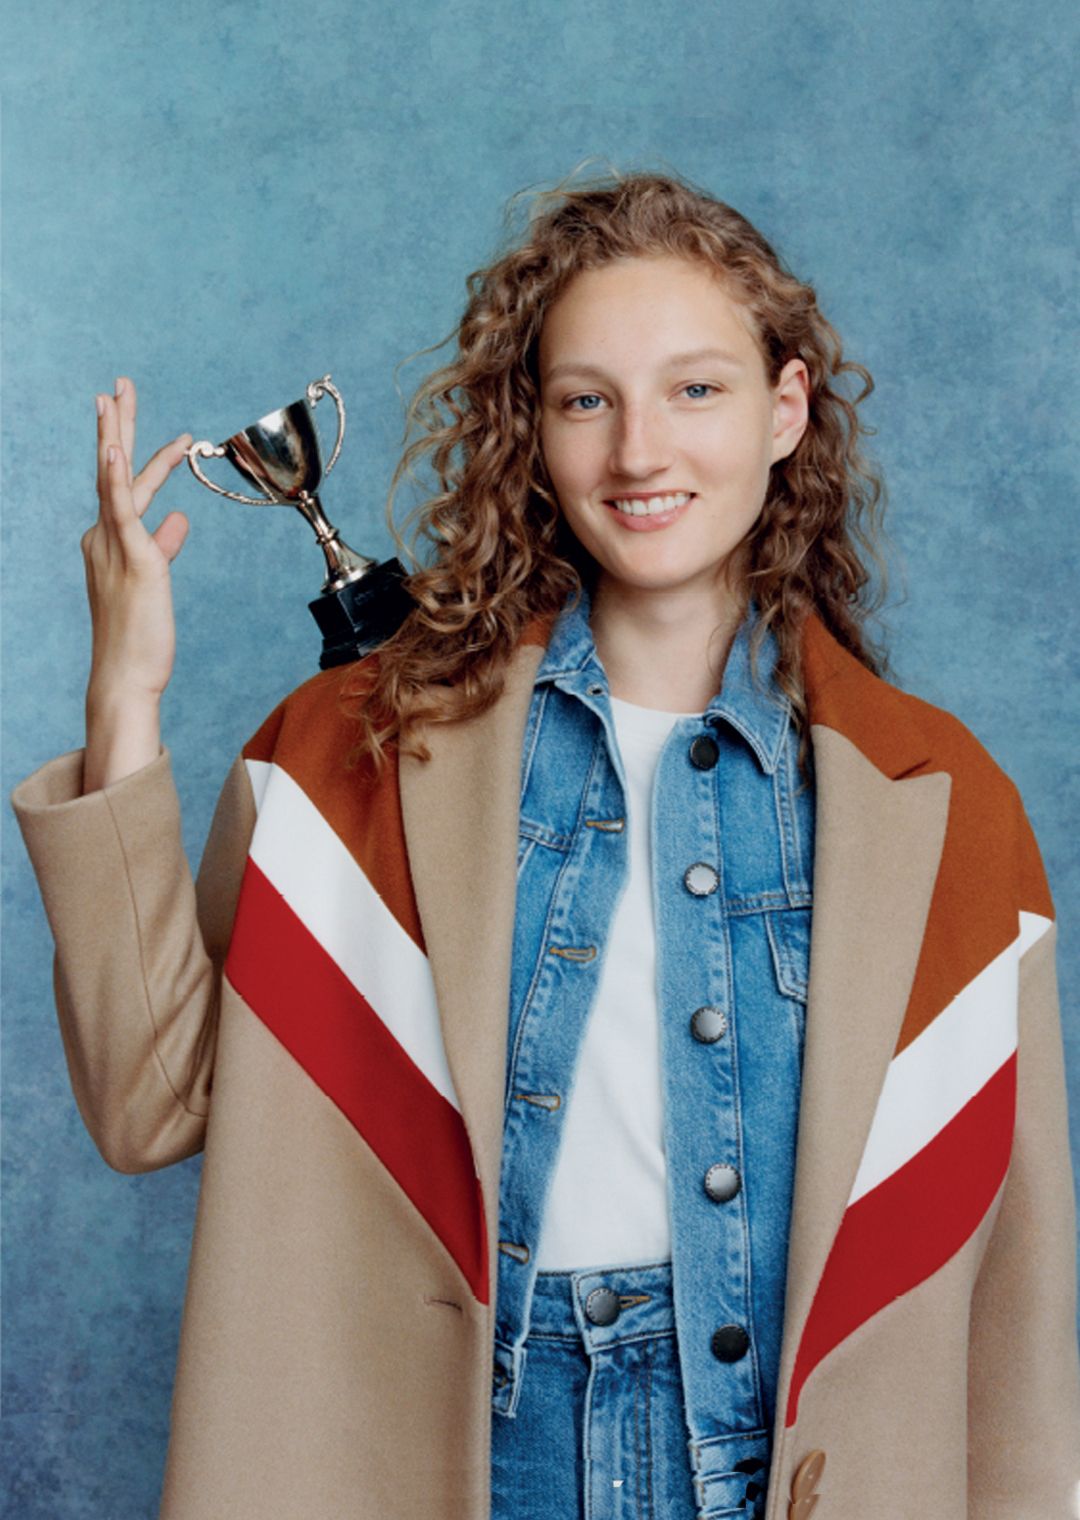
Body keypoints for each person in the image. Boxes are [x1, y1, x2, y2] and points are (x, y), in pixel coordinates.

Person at [10, 165, 1080, 1520]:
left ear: (786, 413)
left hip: (792, 1464)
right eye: (588, 399)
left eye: (697, 389)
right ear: (535, 429)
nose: (640, 453)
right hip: (463, 1453)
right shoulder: (360, 756)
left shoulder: (941, 802)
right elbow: (148, 1096)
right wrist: (125, 698)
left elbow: (1019, 1295)